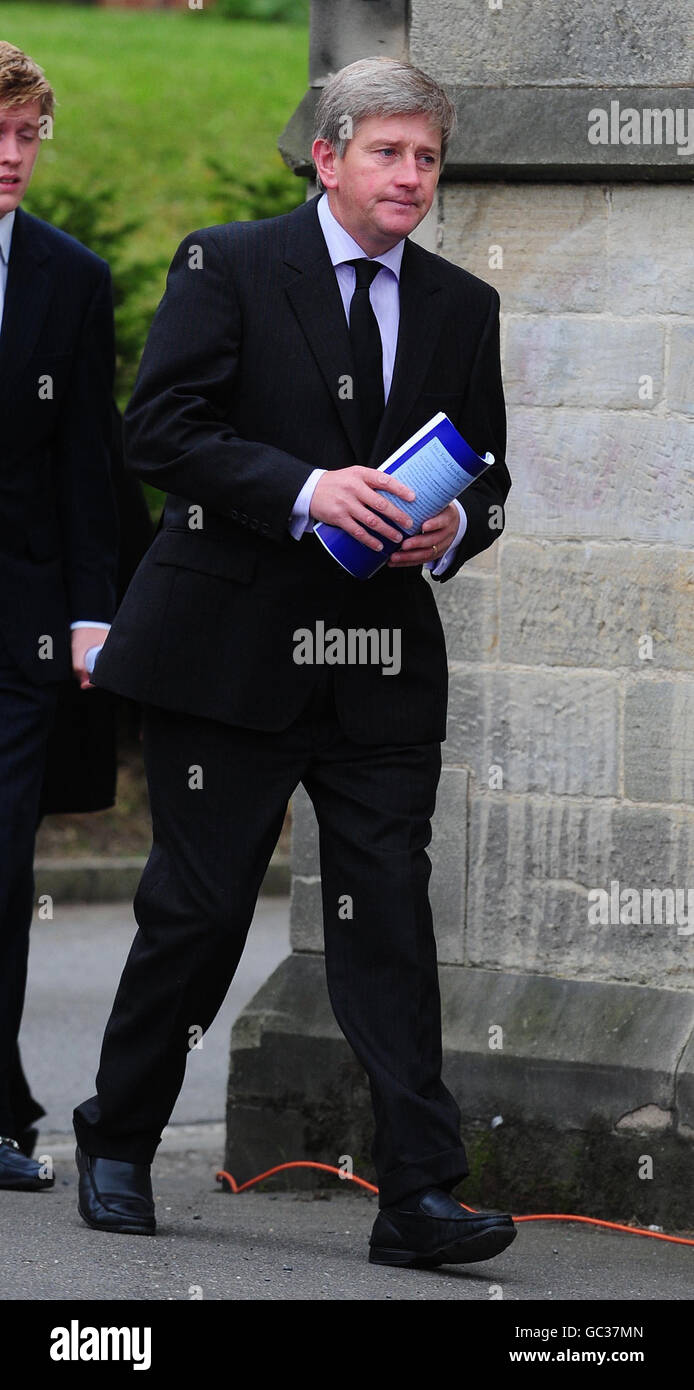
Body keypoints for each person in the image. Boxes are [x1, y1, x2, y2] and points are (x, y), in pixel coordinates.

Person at [74, 56, 515, 1269]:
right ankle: (115, 1137)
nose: (412, 177)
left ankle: (417, 1195)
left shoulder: (461, 306)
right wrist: (309, 486)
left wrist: (451, 528)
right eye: (389, 152)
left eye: (427, 156)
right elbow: (159, 429)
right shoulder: (230, 263)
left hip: (377, 666)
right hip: (225, 655)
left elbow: (487, 478)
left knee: (389, 929)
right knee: (197, 912)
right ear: (328, 158)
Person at [0, 42, 118, 1191]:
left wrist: (93, 618)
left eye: (29, 134)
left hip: (18, 632)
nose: (11, 156)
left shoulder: (71, 280)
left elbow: (92, 467)